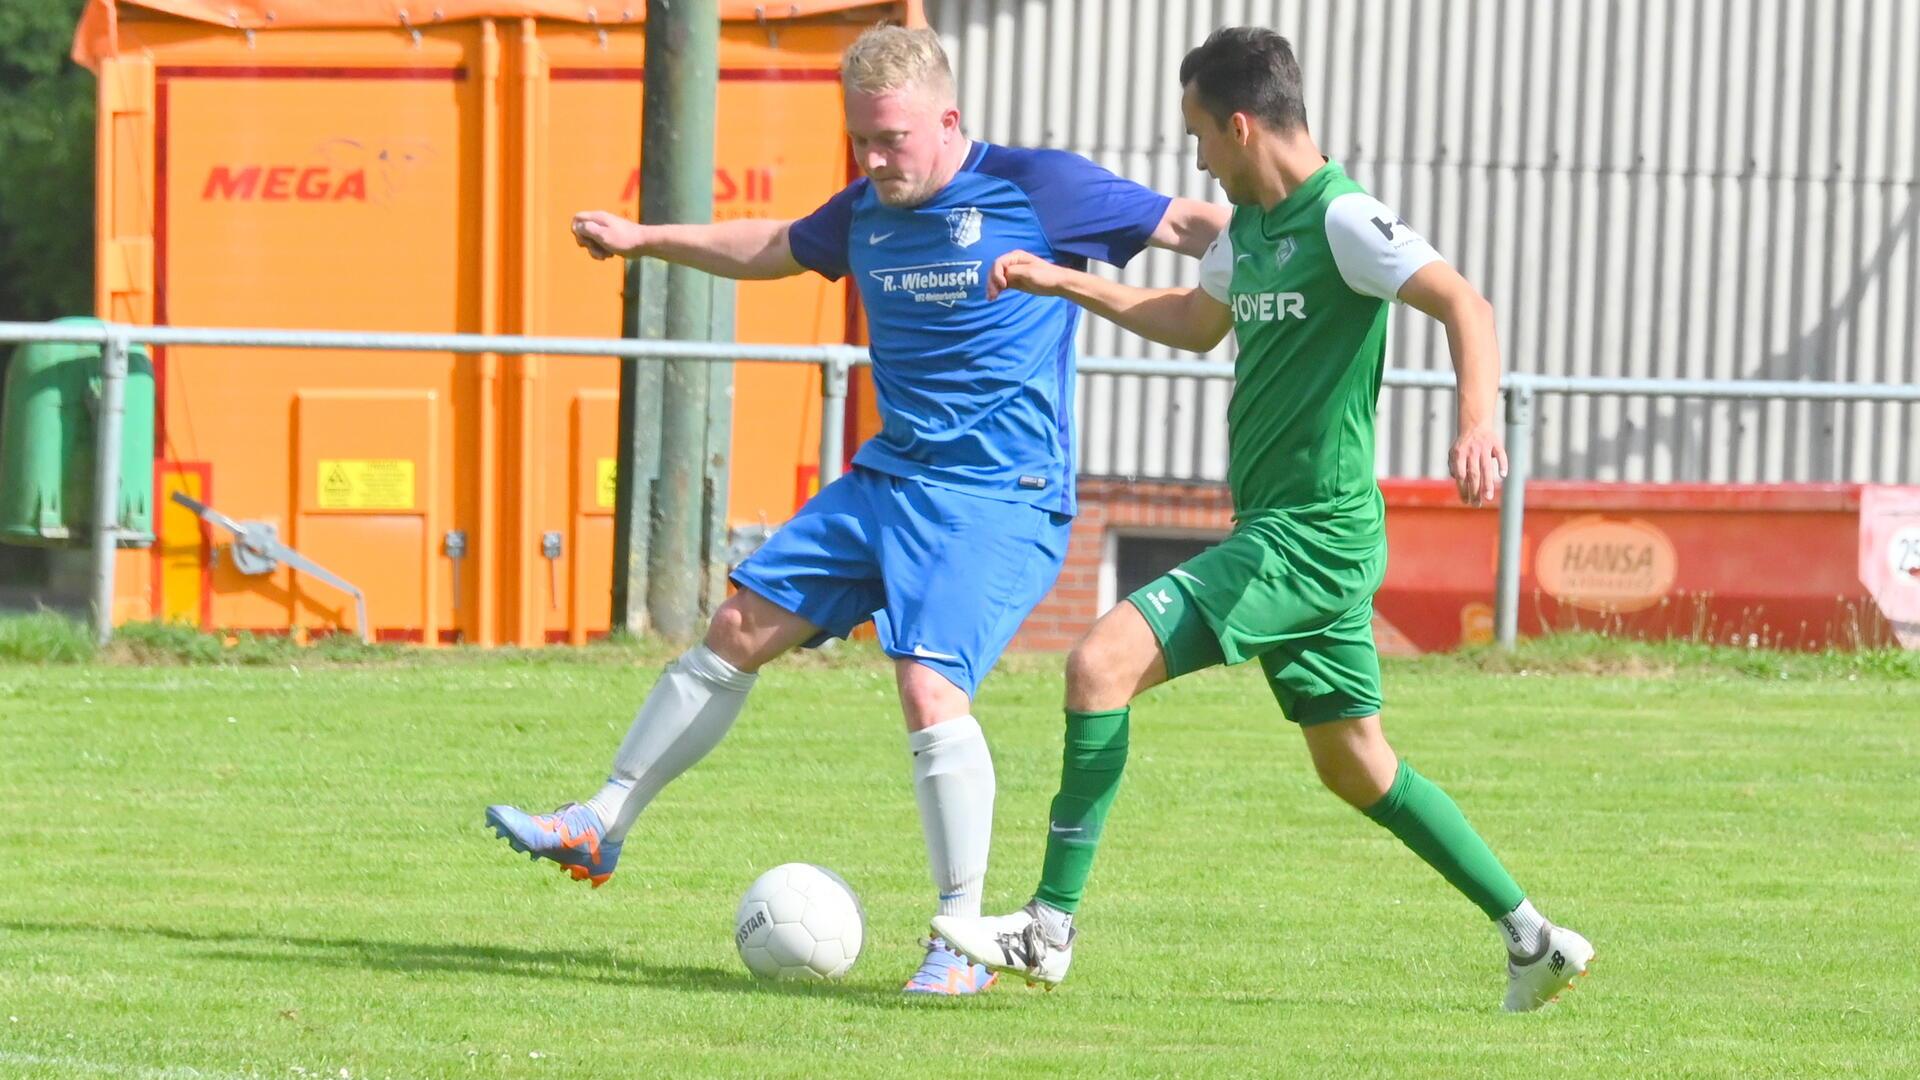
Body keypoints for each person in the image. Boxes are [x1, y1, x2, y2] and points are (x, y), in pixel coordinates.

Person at [484, 24, 1229, 996]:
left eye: (893, 140)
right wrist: (643, 240)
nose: (875, 161)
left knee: (927, 685)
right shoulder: (867, 209)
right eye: (862, 141)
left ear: (948, 121)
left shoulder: (1037, 187)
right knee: (736, 626)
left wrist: (1300, 239)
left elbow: (1189, 224)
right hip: (888, 482)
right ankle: (603, 820)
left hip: (998, 498)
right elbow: (774, 245)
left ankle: (961, 940)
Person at [932, 26, 1592, 1012]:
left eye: (1200, 133)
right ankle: (1533, 938)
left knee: (1098, 663)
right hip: (1291, 535)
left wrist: (1478, 422)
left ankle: (1048, 927)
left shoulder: (1344, 220)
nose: (1197, 157)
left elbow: (1465, 302)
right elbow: (1195, 327)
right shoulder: (1250, 231)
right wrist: (1063, 280)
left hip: (1310, 538)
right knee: (1355, 764)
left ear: (1241, 124)